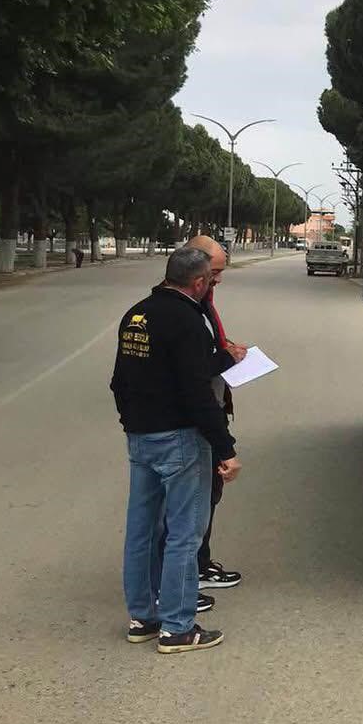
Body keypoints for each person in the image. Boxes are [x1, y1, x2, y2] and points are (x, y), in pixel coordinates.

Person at [110, 246, 242, 654]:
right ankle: (178, 627)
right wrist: (225, 448)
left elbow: (119, 382)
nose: (211, 286)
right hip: (180, 439)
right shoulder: (187, 320)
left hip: (141, 438)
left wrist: (133, 424)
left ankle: (142, 618)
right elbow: (196, 391)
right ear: (198, 282)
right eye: (210, 280)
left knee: (143, 531)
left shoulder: (136, 314)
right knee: (184, 534)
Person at [185, 234, 247, 590]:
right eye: (216, 272)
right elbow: (194, 372)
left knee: (208, 496)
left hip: (209, 411)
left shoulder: (202, 303)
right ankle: (187, 574)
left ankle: (200, 563)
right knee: (193, 502)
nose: (218, 280)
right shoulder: (187, 310)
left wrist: (224, 348)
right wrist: (225, 357)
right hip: (199, 418)